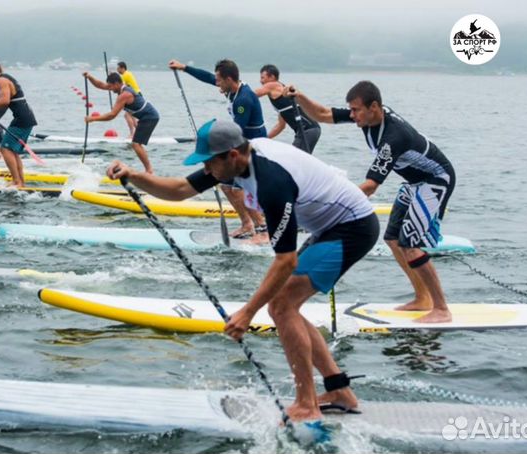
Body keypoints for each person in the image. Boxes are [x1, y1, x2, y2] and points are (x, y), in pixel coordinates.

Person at [107, 119, 379, 422]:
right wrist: (134, 176)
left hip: (352, 228)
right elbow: (182, 189)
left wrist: (247, 313)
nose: (207, 170)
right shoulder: (236, 162)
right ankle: (339, 392)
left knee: (282, 306)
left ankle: (307, 404)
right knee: (287, 307)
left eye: (210, 163)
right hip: (329, 228)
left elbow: (284, 260)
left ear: (232, 155)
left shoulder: (272, 180)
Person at [287, 80, 455, 323]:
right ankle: (423, 298)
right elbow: (322, 114)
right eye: (351, 110)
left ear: (374, 106)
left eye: (356, 110)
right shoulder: (367, 117)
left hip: (436, 180)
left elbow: (370, 186)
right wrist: (299, 96)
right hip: (414, 182)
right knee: (392, 239)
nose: (352, 116)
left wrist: (332, 200)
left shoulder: (393, 136)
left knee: (410, 244)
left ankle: (441, 308)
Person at [168, 58, 267, 240]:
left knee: (238, 189)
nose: (217, 83)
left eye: (220, 80)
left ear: (229, 79)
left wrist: (213, 143)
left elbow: (237, 132)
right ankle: (247, 224)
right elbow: (208, 77)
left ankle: (262, 229)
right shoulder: (234, 89)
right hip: (242, 144)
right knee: (226, 186)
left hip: (253, 147)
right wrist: (184, 68)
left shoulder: (243, 100)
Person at [0, 56, 38, 187]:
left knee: (5, 149)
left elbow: (4, 101)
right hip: (25, 118)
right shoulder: (5, 77)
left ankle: (16, 181)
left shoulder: (1, 80)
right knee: (12, 151)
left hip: (22, 119)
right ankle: (21, 182)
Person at [84, 71, 159, 173]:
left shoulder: (125, 94)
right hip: (144, 117)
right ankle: (149, 170)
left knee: (136, 144)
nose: (110, 89)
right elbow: (101, 85)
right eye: (109, 86)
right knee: (136, 144)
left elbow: (112, 115)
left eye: (111, 87)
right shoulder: (119, 87)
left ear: (117, 83)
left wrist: (93, 119)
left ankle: (149, 171)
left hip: (150, 117)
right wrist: (89, 77)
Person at [254, 64, 321, 153]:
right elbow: (280, 126)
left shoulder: (273, 85)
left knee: (294, 160)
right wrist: (265, 138)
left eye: (263, 78)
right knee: (299, 162)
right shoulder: (281, 95)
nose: (261, 81)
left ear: (272, 77)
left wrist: (238, 92)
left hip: (307, 130)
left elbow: (251, 95)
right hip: (311, 129)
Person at [116, 61, 140, 138]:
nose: (117, 69)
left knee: (127, 115)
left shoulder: (125, 75)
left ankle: (132, 134)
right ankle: (138, 133)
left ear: (122, 68)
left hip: (134, 96)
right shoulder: (128, 74)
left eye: (118, 68)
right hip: (135, 96)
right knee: (132, 116)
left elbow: (119, 87)